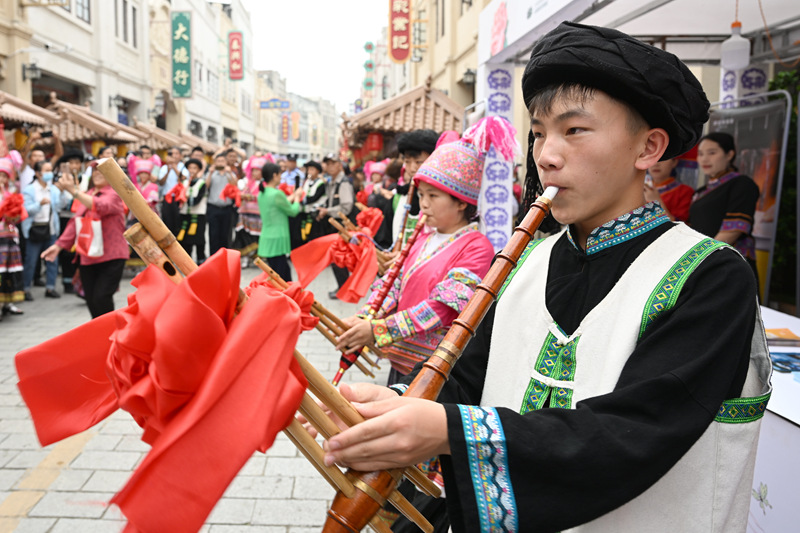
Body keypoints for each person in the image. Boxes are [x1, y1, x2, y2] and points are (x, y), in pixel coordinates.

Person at [322, 22, 771, 533]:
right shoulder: (528, 262)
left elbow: (635, 431)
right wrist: (402, 409)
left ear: (648, 149)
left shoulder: (711, 276)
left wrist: (448, 429)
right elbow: (468, 379)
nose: (546, 155)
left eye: (573, 130)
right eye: (538, 133)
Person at [42, 165, 129, 319]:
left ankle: (111, 334)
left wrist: (73, 191)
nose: (97, 173)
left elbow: (101, 206)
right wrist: (58, 246)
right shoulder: (88, 194)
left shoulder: (115, 194)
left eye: (101, 170)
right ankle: (100, 336)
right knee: (91, 300)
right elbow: (75, 222)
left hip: (112, 255)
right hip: (88, 255)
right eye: (95, 170)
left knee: (101, 297)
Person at [689, 132, 760, 275]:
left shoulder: (742, 184)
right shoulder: (700, 192)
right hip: (701, 263)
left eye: (712, 153)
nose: (705, 159)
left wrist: (699, 259)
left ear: (729, 155)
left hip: (727, 265)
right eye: (701, 154)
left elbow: (732, 230)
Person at [21, 161, 71, 300]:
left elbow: (61, 206)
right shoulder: (29, 190)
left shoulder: (53, 189)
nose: (49, 173)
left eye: (50, 170)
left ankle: (50, 288)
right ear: (37, 173)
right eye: (46, 170)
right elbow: (26, 210)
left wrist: (62, 193)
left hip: (51, 229)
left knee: (52, 260)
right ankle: (26, 289)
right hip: (34, 229)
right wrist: (39, 204)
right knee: (31, 261)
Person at [393, 130, 440, 247]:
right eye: (407, 162)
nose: (412, 168)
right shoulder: (399, 197)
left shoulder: (444, 200)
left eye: (419, 162)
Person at [257, 162, 302, 281]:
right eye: (280, 174)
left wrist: (293, 196)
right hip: (278, 237)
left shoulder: (262, 193)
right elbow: (292, 211)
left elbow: (280, 204)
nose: (281, 177)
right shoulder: (277, 194)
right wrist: (297, 198)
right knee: (283, 276)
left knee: (277, 273)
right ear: (274, 175)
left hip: (267, 236)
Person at [318, 153, 355, 298]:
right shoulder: (331, 181)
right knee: (336, 258)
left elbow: (346, 207)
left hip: (341, 226)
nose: (330, 166)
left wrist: (328, 211)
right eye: (328, 163)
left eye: (333, 163)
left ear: (339, 165)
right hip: (334, 225)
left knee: (339, 258)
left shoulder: (343, 182)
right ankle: (343, 287)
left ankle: (343, 288)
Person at [54, 150, 85, 295]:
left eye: (77, 163)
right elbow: (58, 203)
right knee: (67, 251)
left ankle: (79, 280)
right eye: (71, 163)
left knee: (81, 249)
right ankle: (67, 281)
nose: (74, 165)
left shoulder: (85, 178)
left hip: (82, 218)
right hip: (66, 217)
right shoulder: (61, 180)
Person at [0, 156, 25, 318]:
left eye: (4, 176)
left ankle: (7, 303)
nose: (1, 179)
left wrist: (13, 214)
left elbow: (19, 216)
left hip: (10, 237)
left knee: (9, 272)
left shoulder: (11, 194)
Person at [235, 154, 269, 267]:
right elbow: (243, 193)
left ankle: (257, 257)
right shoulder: (249, 183)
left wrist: (251, 197)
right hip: (245, 213)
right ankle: (245, 257)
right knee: (243, 235)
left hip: (258, 214)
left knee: (257, 237)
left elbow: (264, 197)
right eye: (253, 170)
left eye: (257, 171)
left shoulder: (265, 184)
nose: (255, 173)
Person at [206, 154, 238, 256]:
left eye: (222, 161)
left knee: (226, 234)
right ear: (215, 163)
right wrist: (210, 173)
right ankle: (213, 256)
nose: (220, 163)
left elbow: (235, 185)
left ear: (226, 163)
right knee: (213, 234)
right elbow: (206, 186)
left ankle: (225, 256)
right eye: (218, 161)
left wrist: (230, 172)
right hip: (213, 208)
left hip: (226, 208)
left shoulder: (229, 174)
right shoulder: (212, 173)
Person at [177, 159, 207, 264]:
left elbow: (198, 199)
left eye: (195, 168)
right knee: (185, 240)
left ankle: (201, 262)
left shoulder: (201, 183)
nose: (192, 170)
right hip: (185, 215)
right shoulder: (183, 182)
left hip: (198, 215)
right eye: (190, 168)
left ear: (199, 170)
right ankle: (187, 263)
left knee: (199, 240)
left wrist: (187, 198)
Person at [643, 157, 694, 221]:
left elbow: (679, 227)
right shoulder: (640, 190)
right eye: (652, 159)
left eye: (662, 159)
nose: (656, 164)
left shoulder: (685, 191)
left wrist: (656, 202)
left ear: (674, 162)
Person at [157, 147, 189, 235]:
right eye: (172, 153)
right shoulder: (164, 167)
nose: (174, 155)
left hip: (178, 198)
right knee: (167, 222)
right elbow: (161, 182)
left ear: (181, 156)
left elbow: (183, 178)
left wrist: (174, 167)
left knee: (177, 222)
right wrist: (168, 171)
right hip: (166, 198)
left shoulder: (183, 167)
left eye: (176, 153)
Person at [299, 160, 327, 243]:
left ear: (318, 171)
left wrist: (300, 199)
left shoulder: (321, 183)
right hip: (305, 213)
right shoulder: (306, 182)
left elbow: (313, 198)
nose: (309, 172)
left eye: (312, 169)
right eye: (308, 169)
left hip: (315, 214)